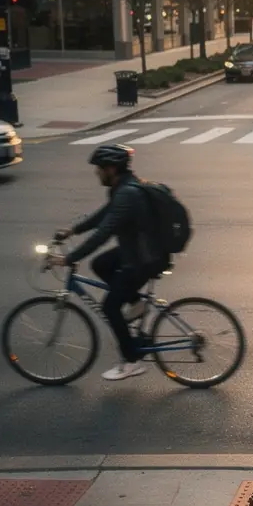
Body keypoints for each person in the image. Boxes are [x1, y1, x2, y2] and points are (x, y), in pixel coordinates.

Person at [49, 144, 166, 381]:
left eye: (99, 169)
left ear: (111, 168)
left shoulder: (126, 194)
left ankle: (132, 360)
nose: (96, 173)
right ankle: (136, 302)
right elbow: (104, 215)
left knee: (110, 307)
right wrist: (72, 231)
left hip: (143, 260)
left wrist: (69, 258)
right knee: (101, 264)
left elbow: (103, 232)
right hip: (139, 252)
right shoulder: (123, 187)